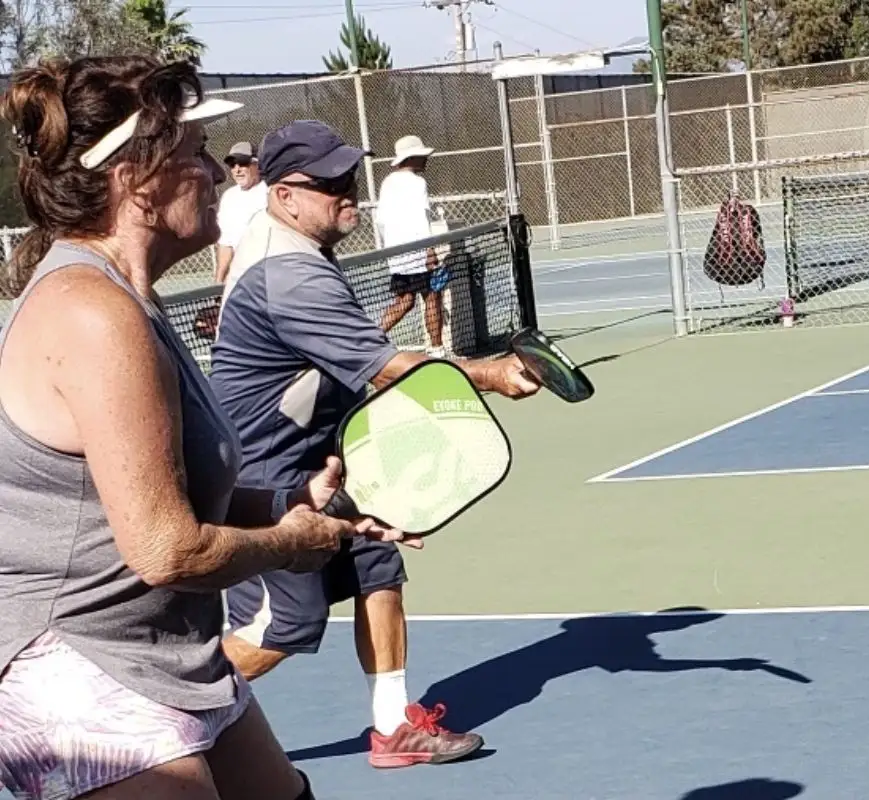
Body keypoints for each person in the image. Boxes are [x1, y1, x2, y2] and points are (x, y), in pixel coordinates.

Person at [0, 57, 393, 800]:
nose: (216, 172)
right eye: (194, 154)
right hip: (71, 659)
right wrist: (291, 546)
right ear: (135, 179)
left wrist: (285, 503)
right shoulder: (92, 314)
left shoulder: (131, 299)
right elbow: (167, 549)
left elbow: (159, 492)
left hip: (158, 648)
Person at [209, 119, 539, 770]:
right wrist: (490, 375)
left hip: (326, 449)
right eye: (328, 182)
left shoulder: (299, 245)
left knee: (378, 569)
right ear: (284, 195)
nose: (346, 191)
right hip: (266, 472)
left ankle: (394, 729)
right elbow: (384, 366)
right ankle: (145, 714)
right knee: (284, 626)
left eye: (348, 177)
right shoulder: (288, 273)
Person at [375, 134, 445, 353]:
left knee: (405, 301)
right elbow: (420, 219)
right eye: (421, 156)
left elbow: (381, 220)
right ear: (411, 158)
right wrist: (429, 250)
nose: (426, 160)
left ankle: (370, 339)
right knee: (432, 297)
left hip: (396, 253)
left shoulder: (387, 182)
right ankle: (437, 349)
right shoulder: (418, 183)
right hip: (417, 252)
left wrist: (390, 250)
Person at [214, 141, 268, 285]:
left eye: (242, 163)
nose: (237, 170)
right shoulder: (229, 197)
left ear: (257, 164)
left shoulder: (271, 192)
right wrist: (219, 282)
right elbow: (226, 243)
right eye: (232, 165)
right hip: (242, 277)